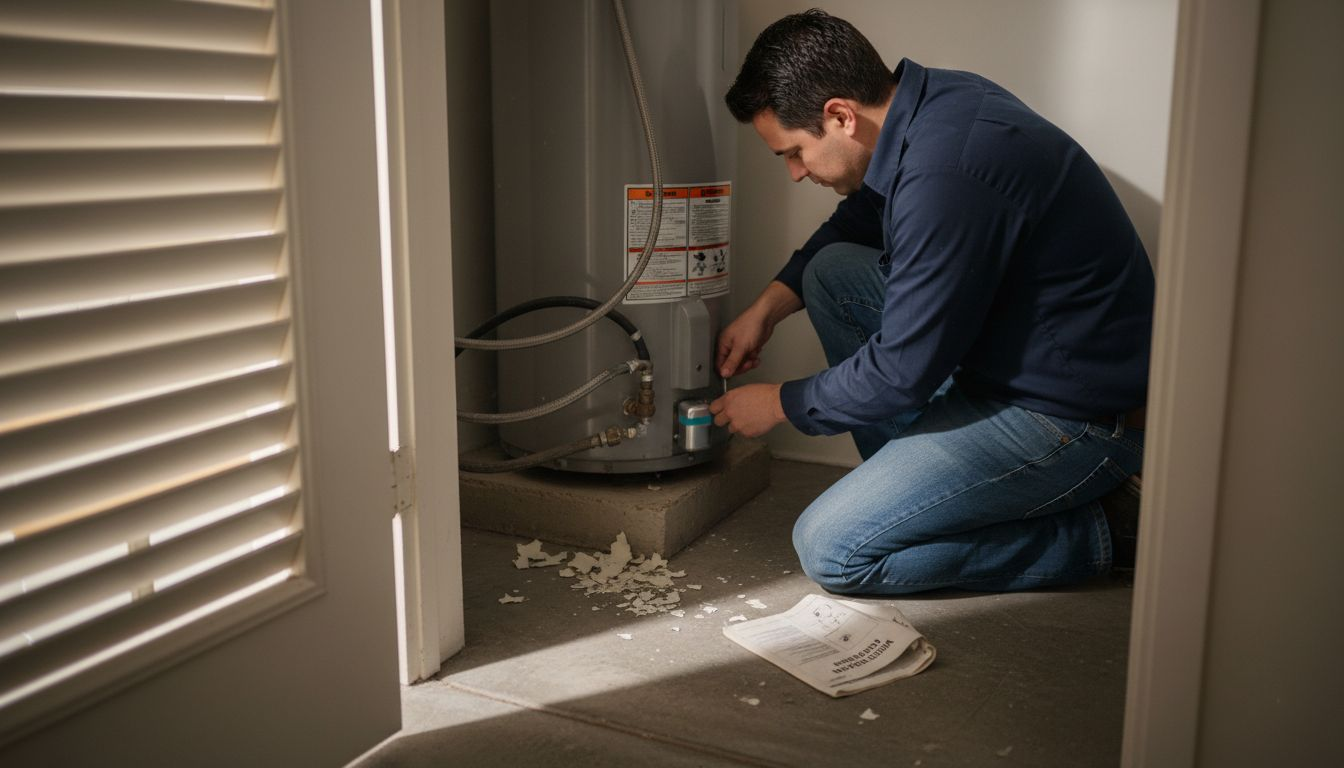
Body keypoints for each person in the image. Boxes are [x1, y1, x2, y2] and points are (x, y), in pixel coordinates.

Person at [708, 10, 1153, 594]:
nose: (794, 173)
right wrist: (767, 306)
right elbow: (856, 221)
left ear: (840, 116)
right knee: (831, 274)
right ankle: (920, 501)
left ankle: (1110, 530)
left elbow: (900, 372)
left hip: (1073, 418)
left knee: (834, 550)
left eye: (793, 152)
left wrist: (780, 404)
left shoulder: (947, 174)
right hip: (1015, 361)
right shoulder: (929, 103)